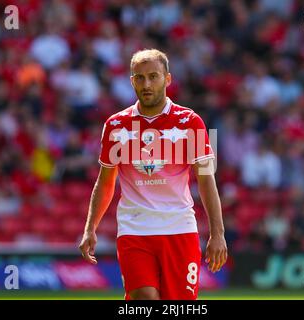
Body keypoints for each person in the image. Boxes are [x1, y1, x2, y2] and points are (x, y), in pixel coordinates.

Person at [78, 49, 227, 300]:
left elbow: (206, 179)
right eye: (140, 77)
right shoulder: (115, 125)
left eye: (153, 76)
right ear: (132, 81)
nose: (146, 84)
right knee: (144, 300)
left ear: (167, 79)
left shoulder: (191, 121)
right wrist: (89, 228)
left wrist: (218, 234)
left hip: (179, 229)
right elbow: (105, 182)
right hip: (134, 230)